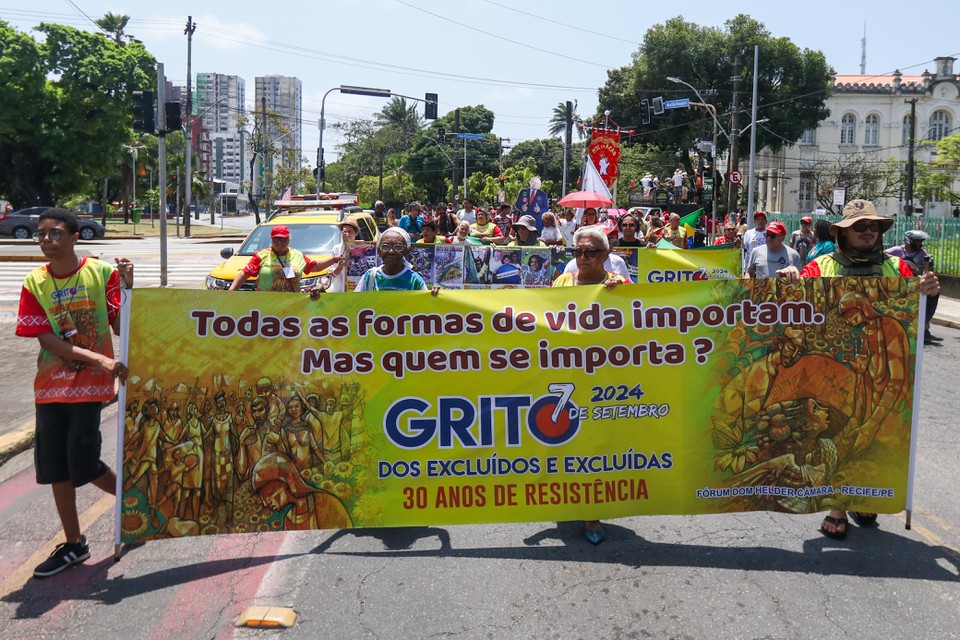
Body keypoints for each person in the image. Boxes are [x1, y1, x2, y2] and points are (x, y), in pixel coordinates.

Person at [776, 199, 940, 540]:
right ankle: (838, 507)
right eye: (859, 227)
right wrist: (791, 279)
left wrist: (929, 294)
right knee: (842, 433)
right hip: (844, 377)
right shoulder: (820, 267)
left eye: (873, 227)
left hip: (886, 378)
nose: (867, 231)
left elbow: (917, 320)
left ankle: (866, 494)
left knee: (878, 437)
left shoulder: (900, 270)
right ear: (843, 233)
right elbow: (798, 310)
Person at [16, 208, 134, 578]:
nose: (46, 241)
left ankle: (138, 501)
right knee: (54, 468)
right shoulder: (34, 282)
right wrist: (96, 357)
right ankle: (74, 543)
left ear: (74, 237)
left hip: (89, 388)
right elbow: (46, 338)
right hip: (50, 387)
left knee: (83, 463)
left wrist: (129, 289)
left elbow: (121, 323)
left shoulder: (102, 274)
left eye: (54, 234)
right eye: (41, 234)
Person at [551, 226, 627, 545]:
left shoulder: (618, 284)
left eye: (591, 252)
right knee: (567, 443)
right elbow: (542, 317)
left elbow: (642, 320)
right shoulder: (562, 282)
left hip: (603, 380)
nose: (583, 257)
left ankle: (591, 512)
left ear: (606, 256)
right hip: (565, 377)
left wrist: (620, 290)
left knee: (594, 445)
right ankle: (570, 499)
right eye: (578, 251)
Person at [229, 225, 335, 292]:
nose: (279, 243)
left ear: (289, 239)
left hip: (291, 305)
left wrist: (334, 260)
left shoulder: (297, 255)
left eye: (283, 239)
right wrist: (230, 293)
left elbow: (315, 267)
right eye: (276, 239)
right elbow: (244, 274)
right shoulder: (262, 256)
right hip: (266, 305)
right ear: (271, 240)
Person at [886, 230, 941, 344]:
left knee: (921, 306)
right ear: (909, 240)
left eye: (921, 241)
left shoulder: (922, 254)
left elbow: (926, 268)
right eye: (917, 241)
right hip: (899, 284)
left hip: (916, 284)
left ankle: (924, 330)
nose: (920, 244)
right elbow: (883, 257)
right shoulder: (896, 251)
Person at [355, 228, 428, 292]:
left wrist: (435, 296)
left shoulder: (414, 280)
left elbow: (426, 304)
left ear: (407, 251)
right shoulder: (370, 277)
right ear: (379, 250)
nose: (391, 251)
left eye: (398, 247)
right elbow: (356, 303)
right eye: (385, 246)